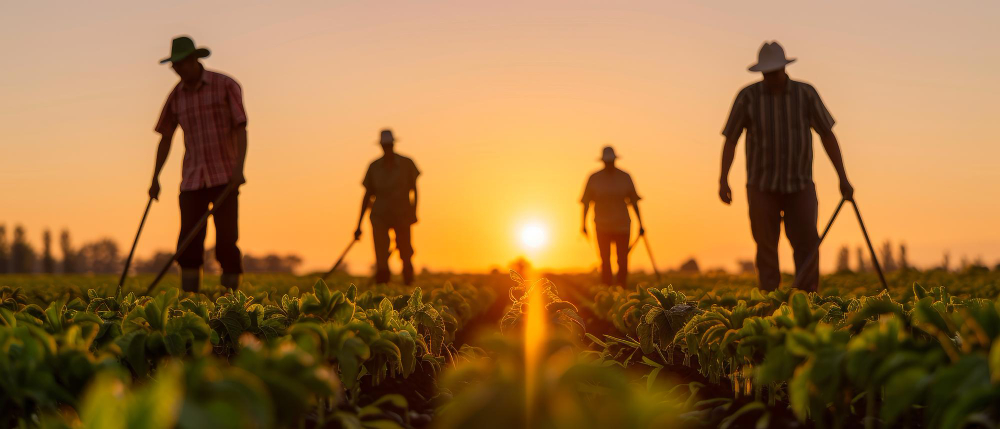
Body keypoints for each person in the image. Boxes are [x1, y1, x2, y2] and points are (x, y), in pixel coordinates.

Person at [718, 41, 853, 291]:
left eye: (775, 72)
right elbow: (731, 139)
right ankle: (771, 305)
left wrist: (842, 178)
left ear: (784, 69)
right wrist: (723, 179)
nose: (771, 78)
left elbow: (827, 135)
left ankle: (806, 300)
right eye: (767, 74)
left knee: (807, 244)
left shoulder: (806, 94)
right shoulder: (747, 97)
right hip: (761, 187)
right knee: (766, 247)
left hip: (799, 185)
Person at [148, 36, 248, 292]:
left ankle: (230, 302)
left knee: (227, 241)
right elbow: (166, 136)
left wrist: (239, 170)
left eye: (181, 64)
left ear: (194, 60)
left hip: (225, 175)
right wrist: (155, 178)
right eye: (174, 66)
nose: (178, 70)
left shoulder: (225, 85)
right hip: (192, 178)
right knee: (188, 243)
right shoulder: (176, 96)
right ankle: (190, 301)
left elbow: (241, 127)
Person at [354, 129, 420, 285]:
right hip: (379, 216)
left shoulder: (407, 163)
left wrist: (414, 212)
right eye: (385, 146)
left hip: (402, 214)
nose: (387, 148)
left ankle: (408, 283)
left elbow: (415, 190)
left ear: (393, 145)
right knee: (381, 255)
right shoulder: (374, 167)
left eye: (389, 145)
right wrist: (358, 225)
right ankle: (383, 286)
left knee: (405, 252)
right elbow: (367, 195)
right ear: (381, 146)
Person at [581, 146, 645, 286]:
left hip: (622, 225)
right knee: (605, 260)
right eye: (607, 162)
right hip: (602, 226)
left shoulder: (625, 177)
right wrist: (583, 225)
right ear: (603, 161)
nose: (609, 165)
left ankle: (621, 288)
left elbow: (634, 202)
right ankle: (607, 288)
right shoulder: (594, 178)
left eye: (611, 162)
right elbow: (585, 203)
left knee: (622, 260)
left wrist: (641, 224)